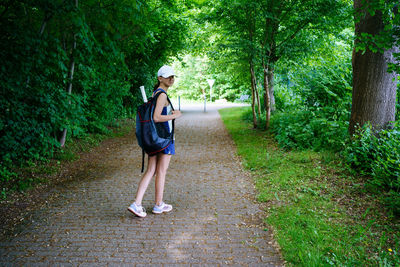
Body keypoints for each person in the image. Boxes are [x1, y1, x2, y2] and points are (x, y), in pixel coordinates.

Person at [128, 65, 182, 218]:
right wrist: (175, 115)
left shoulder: (156, 93)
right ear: (160, 78)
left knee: (151, 170)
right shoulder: (162, 94)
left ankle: (137, 203)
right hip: (164, 139)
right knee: (161, 171)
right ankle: (158, 205)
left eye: (173, 76)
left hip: (154, 138)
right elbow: (157, 118)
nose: (171, 79)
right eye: (168, 76)